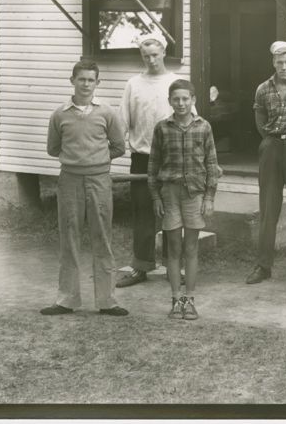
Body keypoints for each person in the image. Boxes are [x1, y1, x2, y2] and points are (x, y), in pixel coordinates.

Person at [41, 59, 128, 317]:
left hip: (99, 181)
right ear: (72, 81)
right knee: (70, 238)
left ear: (97, 83)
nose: (86, 84)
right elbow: (53, 148)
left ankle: (107, 301)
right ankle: (66, 300)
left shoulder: (107, 113)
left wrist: (95, 161)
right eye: (81, 79)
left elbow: (118, 146)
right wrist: (77, 161)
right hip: (69, 182)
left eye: (91, 80)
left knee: (102, 238)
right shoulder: (60, 114)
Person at [148, 79, 221, 321]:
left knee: (191, 248)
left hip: (195, 194)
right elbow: (153, 165)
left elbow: (211, 164)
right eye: (176, 99)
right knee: (173, 249)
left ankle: (189, 300)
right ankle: (175, 299)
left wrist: (209, 197)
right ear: (170, 101)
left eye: (185, 99)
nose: (181, 103)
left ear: (193, 101)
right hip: (170, 194)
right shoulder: (162, 128)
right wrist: (155, 196)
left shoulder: (204, 127)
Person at [117, 37, 180, 289]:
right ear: (141, 56)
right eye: (146, 56)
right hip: (142, 157)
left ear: (164, 52)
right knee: (143, 211)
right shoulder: (133, 84)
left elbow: (189, 118)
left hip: (171, 157)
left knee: (172, 213)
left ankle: (173, 265)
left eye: (155, 54)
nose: (151, 60)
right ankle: (140, 267)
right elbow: (122, 121)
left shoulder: (175, 82)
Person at [245, 40, 286, 284]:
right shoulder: (263, 88)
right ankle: (263, 266)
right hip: (271, 148)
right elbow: (259, 119)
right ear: (273, 62)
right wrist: (270, 141)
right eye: (280, 62)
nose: (284, 67)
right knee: (268, 209)